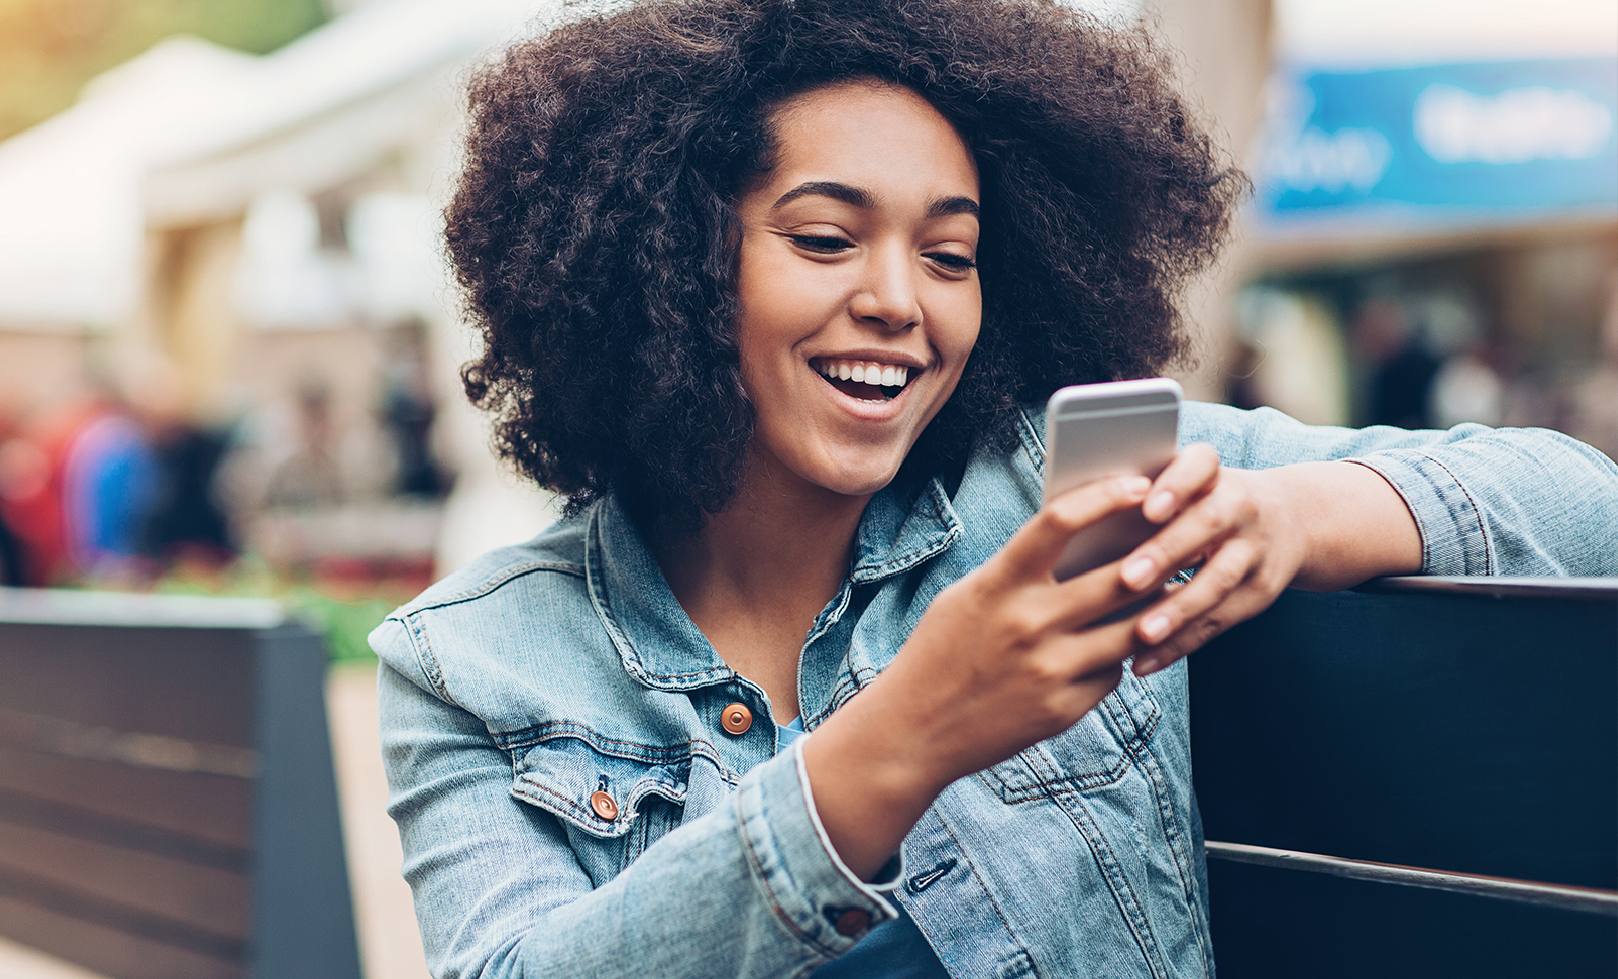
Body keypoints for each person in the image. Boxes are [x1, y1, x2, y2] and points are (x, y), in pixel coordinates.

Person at [372, 2, 1618, 977]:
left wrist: (1291, 514)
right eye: (823, 238)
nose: (900, 301)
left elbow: (1582, 502)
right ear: (663, 267)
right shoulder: (474, 661)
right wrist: (906, 732)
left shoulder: (1043, 492)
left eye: (950, 254)